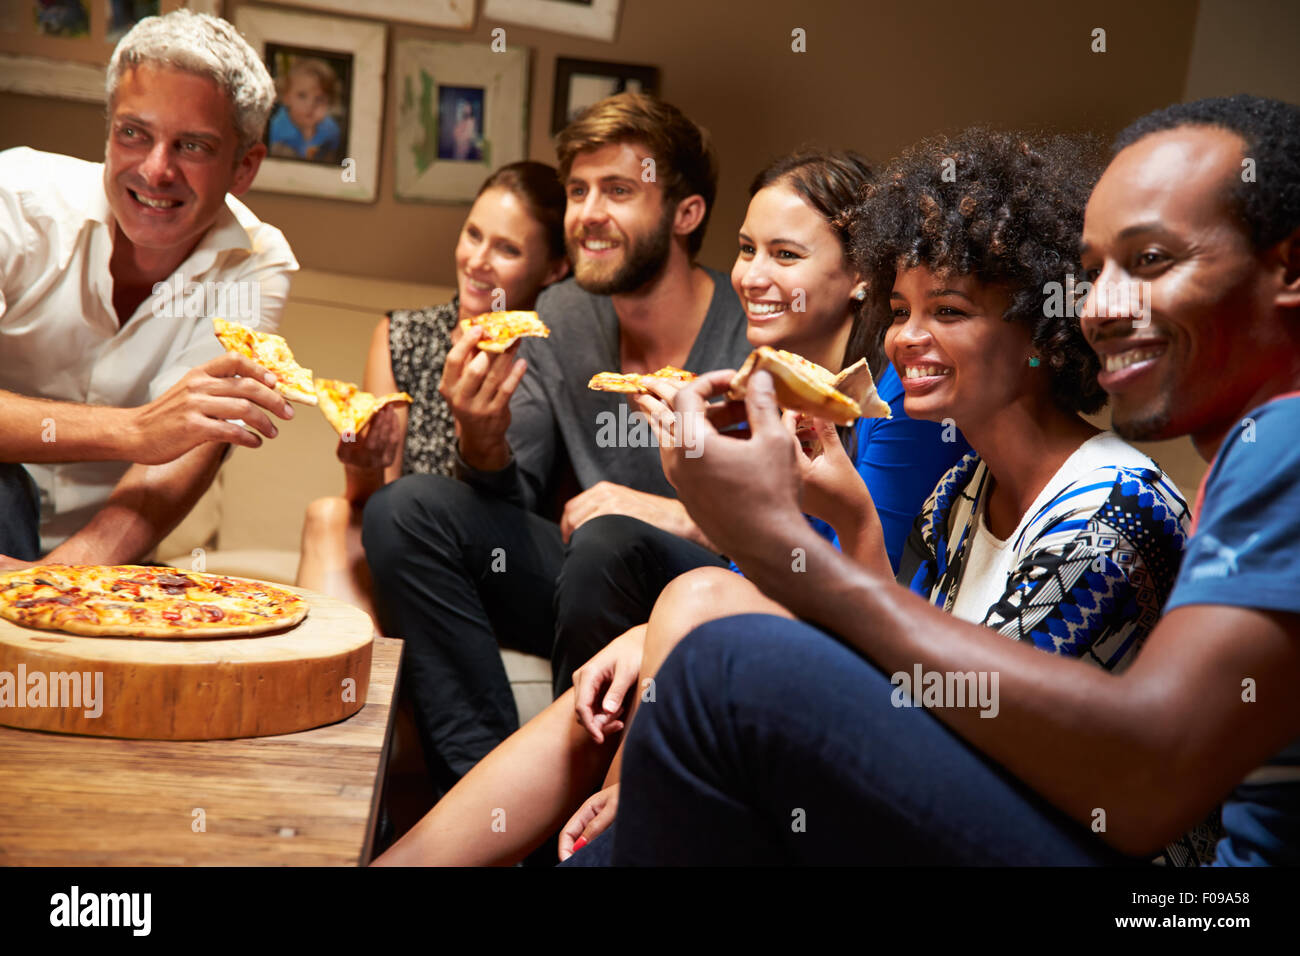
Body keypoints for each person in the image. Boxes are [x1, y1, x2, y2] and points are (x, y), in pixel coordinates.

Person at [372, 130, 1190, 867]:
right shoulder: (963, 494)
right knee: (676, 619)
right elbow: (903, 664)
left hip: (1054, 842)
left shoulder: (1112, 512)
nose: (907, 341)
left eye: (948, 312)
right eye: (903, 311)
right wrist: (834, 525)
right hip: (943, 773)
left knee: (695, 606)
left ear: (1044, 334)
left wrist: (732, 573)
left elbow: (981, 739)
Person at [609, 95, 1300, 866]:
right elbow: (913, 693)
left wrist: (770, 541)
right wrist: (851, 523)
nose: (1098, 307)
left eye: (1149, 262)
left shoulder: (1146, 499)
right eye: (1090, 272)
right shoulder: (965, 494)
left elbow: (1124, 782)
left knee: (723, 666)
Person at [362, 92, 751, 798]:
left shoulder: (751, 331)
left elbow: (795, 531)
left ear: (686, 214)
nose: (587, 213)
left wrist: (678, 515)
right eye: (577, 190)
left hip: (711, 588)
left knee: (608, 539)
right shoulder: (561, 315)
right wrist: (480, 436)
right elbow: (506, 495)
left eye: (619, 190)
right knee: (404, 508)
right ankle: (485, 797)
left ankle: (583, 818)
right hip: (584, 583)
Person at [0, 9, 297, 570]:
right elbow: (160, 432)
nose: (156, 170)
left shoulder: (255, 266)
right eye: (134, 133)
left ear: (244, 167)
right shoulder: (12, 199)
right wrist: (133, 430)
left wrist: (58, 585)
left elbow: (194, 443)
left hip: (111, 564)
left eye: (193, 146)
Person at [295, 162, 569, 616]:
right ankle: (350, 686)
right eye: (473, 234)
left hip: (505, 568)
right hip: (401, 547)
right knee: (328, 515)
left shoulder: (556, 357)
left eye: (507, 249)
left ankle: (359, 683)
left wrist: (481, 433)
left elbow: (531, 518)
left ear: (553, 269)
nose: (478, 261)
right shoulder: (402, 335)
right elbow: (376, 502)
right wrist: (363, 463)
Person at [267, 58, 342, 163]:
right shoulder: (274, 129)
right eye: (302, 96)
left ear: (329, 103)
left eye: (319, 99)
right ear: (286, 96)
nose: (310, 105)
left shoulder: (331, 130)